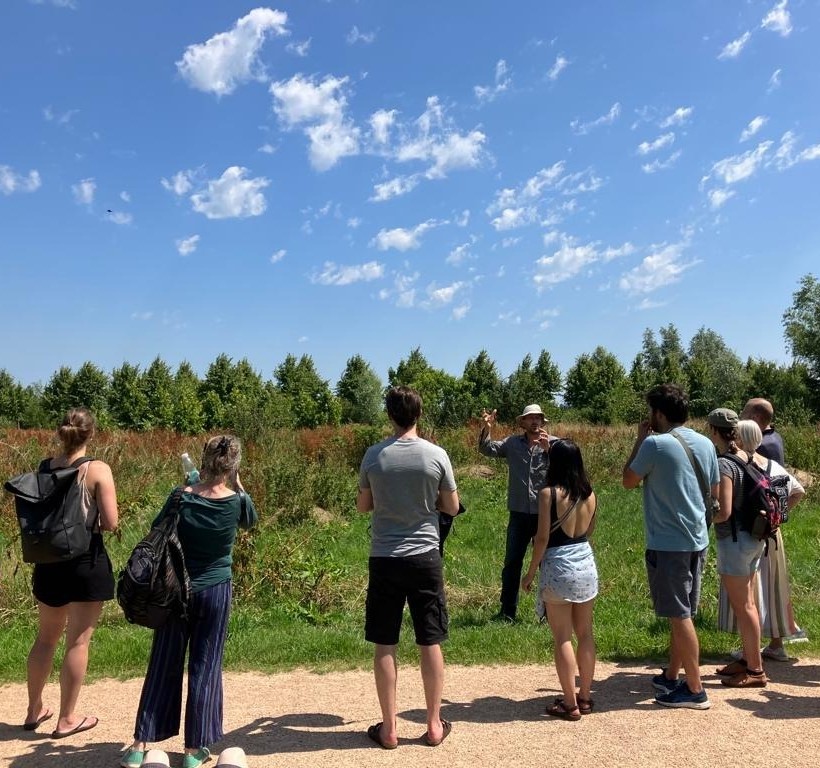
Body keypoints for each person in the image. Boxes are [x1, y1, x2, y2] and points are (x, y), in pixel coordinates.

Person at [122, 436, 258, 768]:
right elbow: (251, 521)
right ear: (233, 466)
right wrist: (239, 485)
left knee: (163, 663)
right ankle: (193, 751)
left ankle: (140, 745)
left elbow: (157, 527)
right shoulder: (237, 503)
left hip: (174, 590)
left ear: (204, 460)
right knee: (205, 666)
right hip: (215, 590)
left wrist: (187, 488)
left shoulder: (181, 497)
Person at [357, 386, 459, 750]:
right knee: (430, 638)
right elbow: (451, 505)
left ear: (390, 415)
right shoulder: (436, 455)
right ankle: (433, 724)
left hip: (385, 555)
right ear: (419, 414)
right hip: (425, 556)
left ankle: (389, 728)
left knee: (386, 641)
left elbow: (363, 506)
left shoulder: (374, 456)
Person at [23, 408, 118, 738]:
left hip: (49, 562)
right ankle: (66, 718)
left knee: (45, 639)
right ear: (90, 434)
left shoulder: (44, 468)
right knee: (77, 641)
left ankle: (34, 710)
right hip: (85, 563)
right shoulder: (97, 469)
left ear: (61, 433)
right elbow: (110, 522)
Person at [622, 384, 718, 710]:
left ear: (659, 414)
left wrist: (639, 439)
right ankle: (673, 675)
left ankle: (695, 689)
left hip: (668, 543)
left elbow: (628, 480)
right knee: (683, 613)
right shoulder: (705, 443)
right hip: (697, 539)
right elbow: (714, 487)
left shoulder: (655, 444)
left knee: (678, 615)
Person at [521, 439, 598, 721]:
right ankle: (585, 696)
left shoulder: (548, 494)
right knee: (586, 633)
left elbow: (542, 538)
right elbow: (589, 529)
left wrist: (530, 573)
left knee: (562, 637)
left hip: (558, 565)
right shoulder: (590, 494)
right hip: (585, 561)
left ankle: (569, 702)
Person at [720, 419, 806, 661]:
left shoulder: (740, 465)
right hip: (771, 533)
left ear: (739, 438)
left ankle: (751, 653)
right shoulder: (771, 464)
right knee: (773, 589)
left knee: (751, 593)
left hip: (749, 533)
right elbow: (798, 490)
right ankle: (774, 644)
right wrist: (779, 515)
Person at [706, 409, 768, 687]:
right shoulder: (747, 457)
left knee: (744, 607)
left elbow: (724, 511)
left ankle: (755, 670)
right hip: (754, 539)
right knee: (749, 604)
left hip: (735, 541)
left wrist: (704, 515)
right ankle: (747, 659)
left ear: (714, 431)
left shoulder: (724, 464)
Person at [478, 404, 556, 622]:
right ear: (522, 422)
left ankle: (550, 612)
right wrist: (487, 428)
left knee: (546, 563)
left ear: (542, 421)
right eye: (529, 418)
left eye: (537, 418)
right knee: (512, 562)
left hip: (544, 515)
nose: (534, 421)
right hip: (519, 514)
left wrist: (549, 450)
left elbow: (566, 468)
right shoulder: (512, 444)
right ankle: (507, 611)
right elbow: (487, 449)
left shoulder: (554, 444)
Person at [741, 398, 785, 466]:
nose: (741, 417)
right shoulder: (775, 436)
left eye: (744, 413)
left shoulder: (759, 445)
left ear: (754, 418)